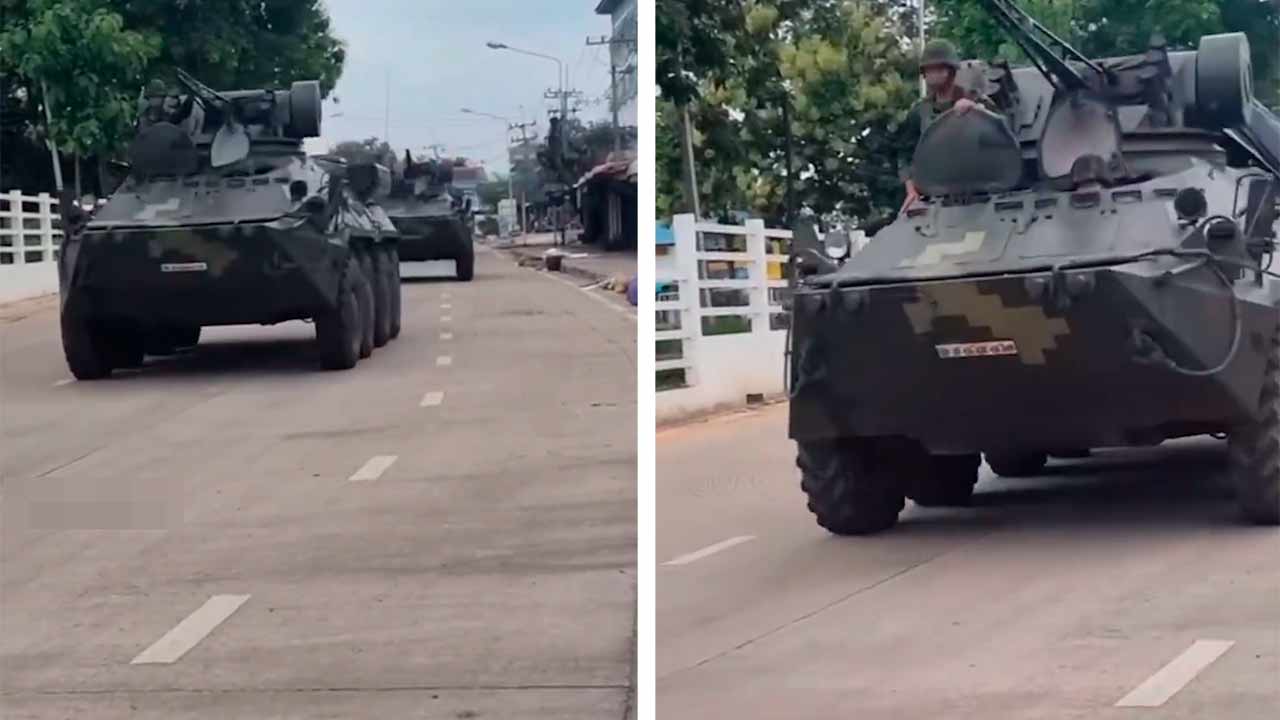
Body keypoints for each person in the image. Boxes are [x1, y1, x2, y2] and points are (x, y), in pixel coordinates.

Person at [897, 39, 996, 213]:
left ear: (950, 70)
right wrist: (911, 190)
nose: (932, 74)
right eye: (928, 69)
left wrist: (976, 110)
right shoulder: (920, 111)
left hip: (983, 191)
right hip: (937, 196)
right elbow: (904, 153)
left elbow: (1002, 131)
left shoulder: (974, 99)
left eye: (937, 68)